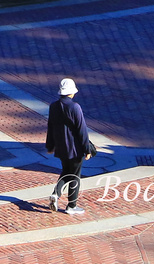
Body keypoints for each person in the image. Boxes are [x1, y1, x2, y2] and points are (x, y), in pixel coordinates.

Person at [44, 78, 95, 214]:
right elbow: (81, 130)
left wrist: (50, 145)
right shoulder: (75, 107)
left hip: (61, 147)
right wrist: (87, 149)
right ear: (71, 92)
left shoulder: (53, 106)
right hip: (75, 148)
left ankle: (56, 194)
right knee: (75, 176)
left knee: (66, 171)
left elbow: (51, 127)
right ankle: (71, 206)